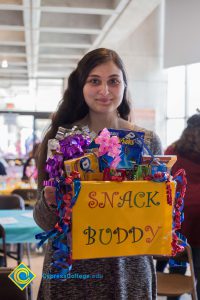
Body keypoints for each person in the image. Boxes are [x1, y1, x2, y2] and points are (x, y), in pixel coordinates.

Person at [34, 48, 162, 300]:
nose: (104, 90)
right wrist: (50, 202)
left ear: (124, 86)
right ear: (81, 86)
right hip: (72, 273)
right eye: (95, 81)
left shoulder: (147, 141)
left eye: (113, 81)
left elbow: (155, 217)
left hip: (129, 271)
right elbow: (43, 221)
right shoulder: (60, 140)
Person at [158, 113, 200, 299]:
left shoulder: (172, 150)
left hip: (178, 217)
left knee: (178, 262)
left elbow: (161, 180)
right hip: (199, 220)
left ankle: (172, 296)